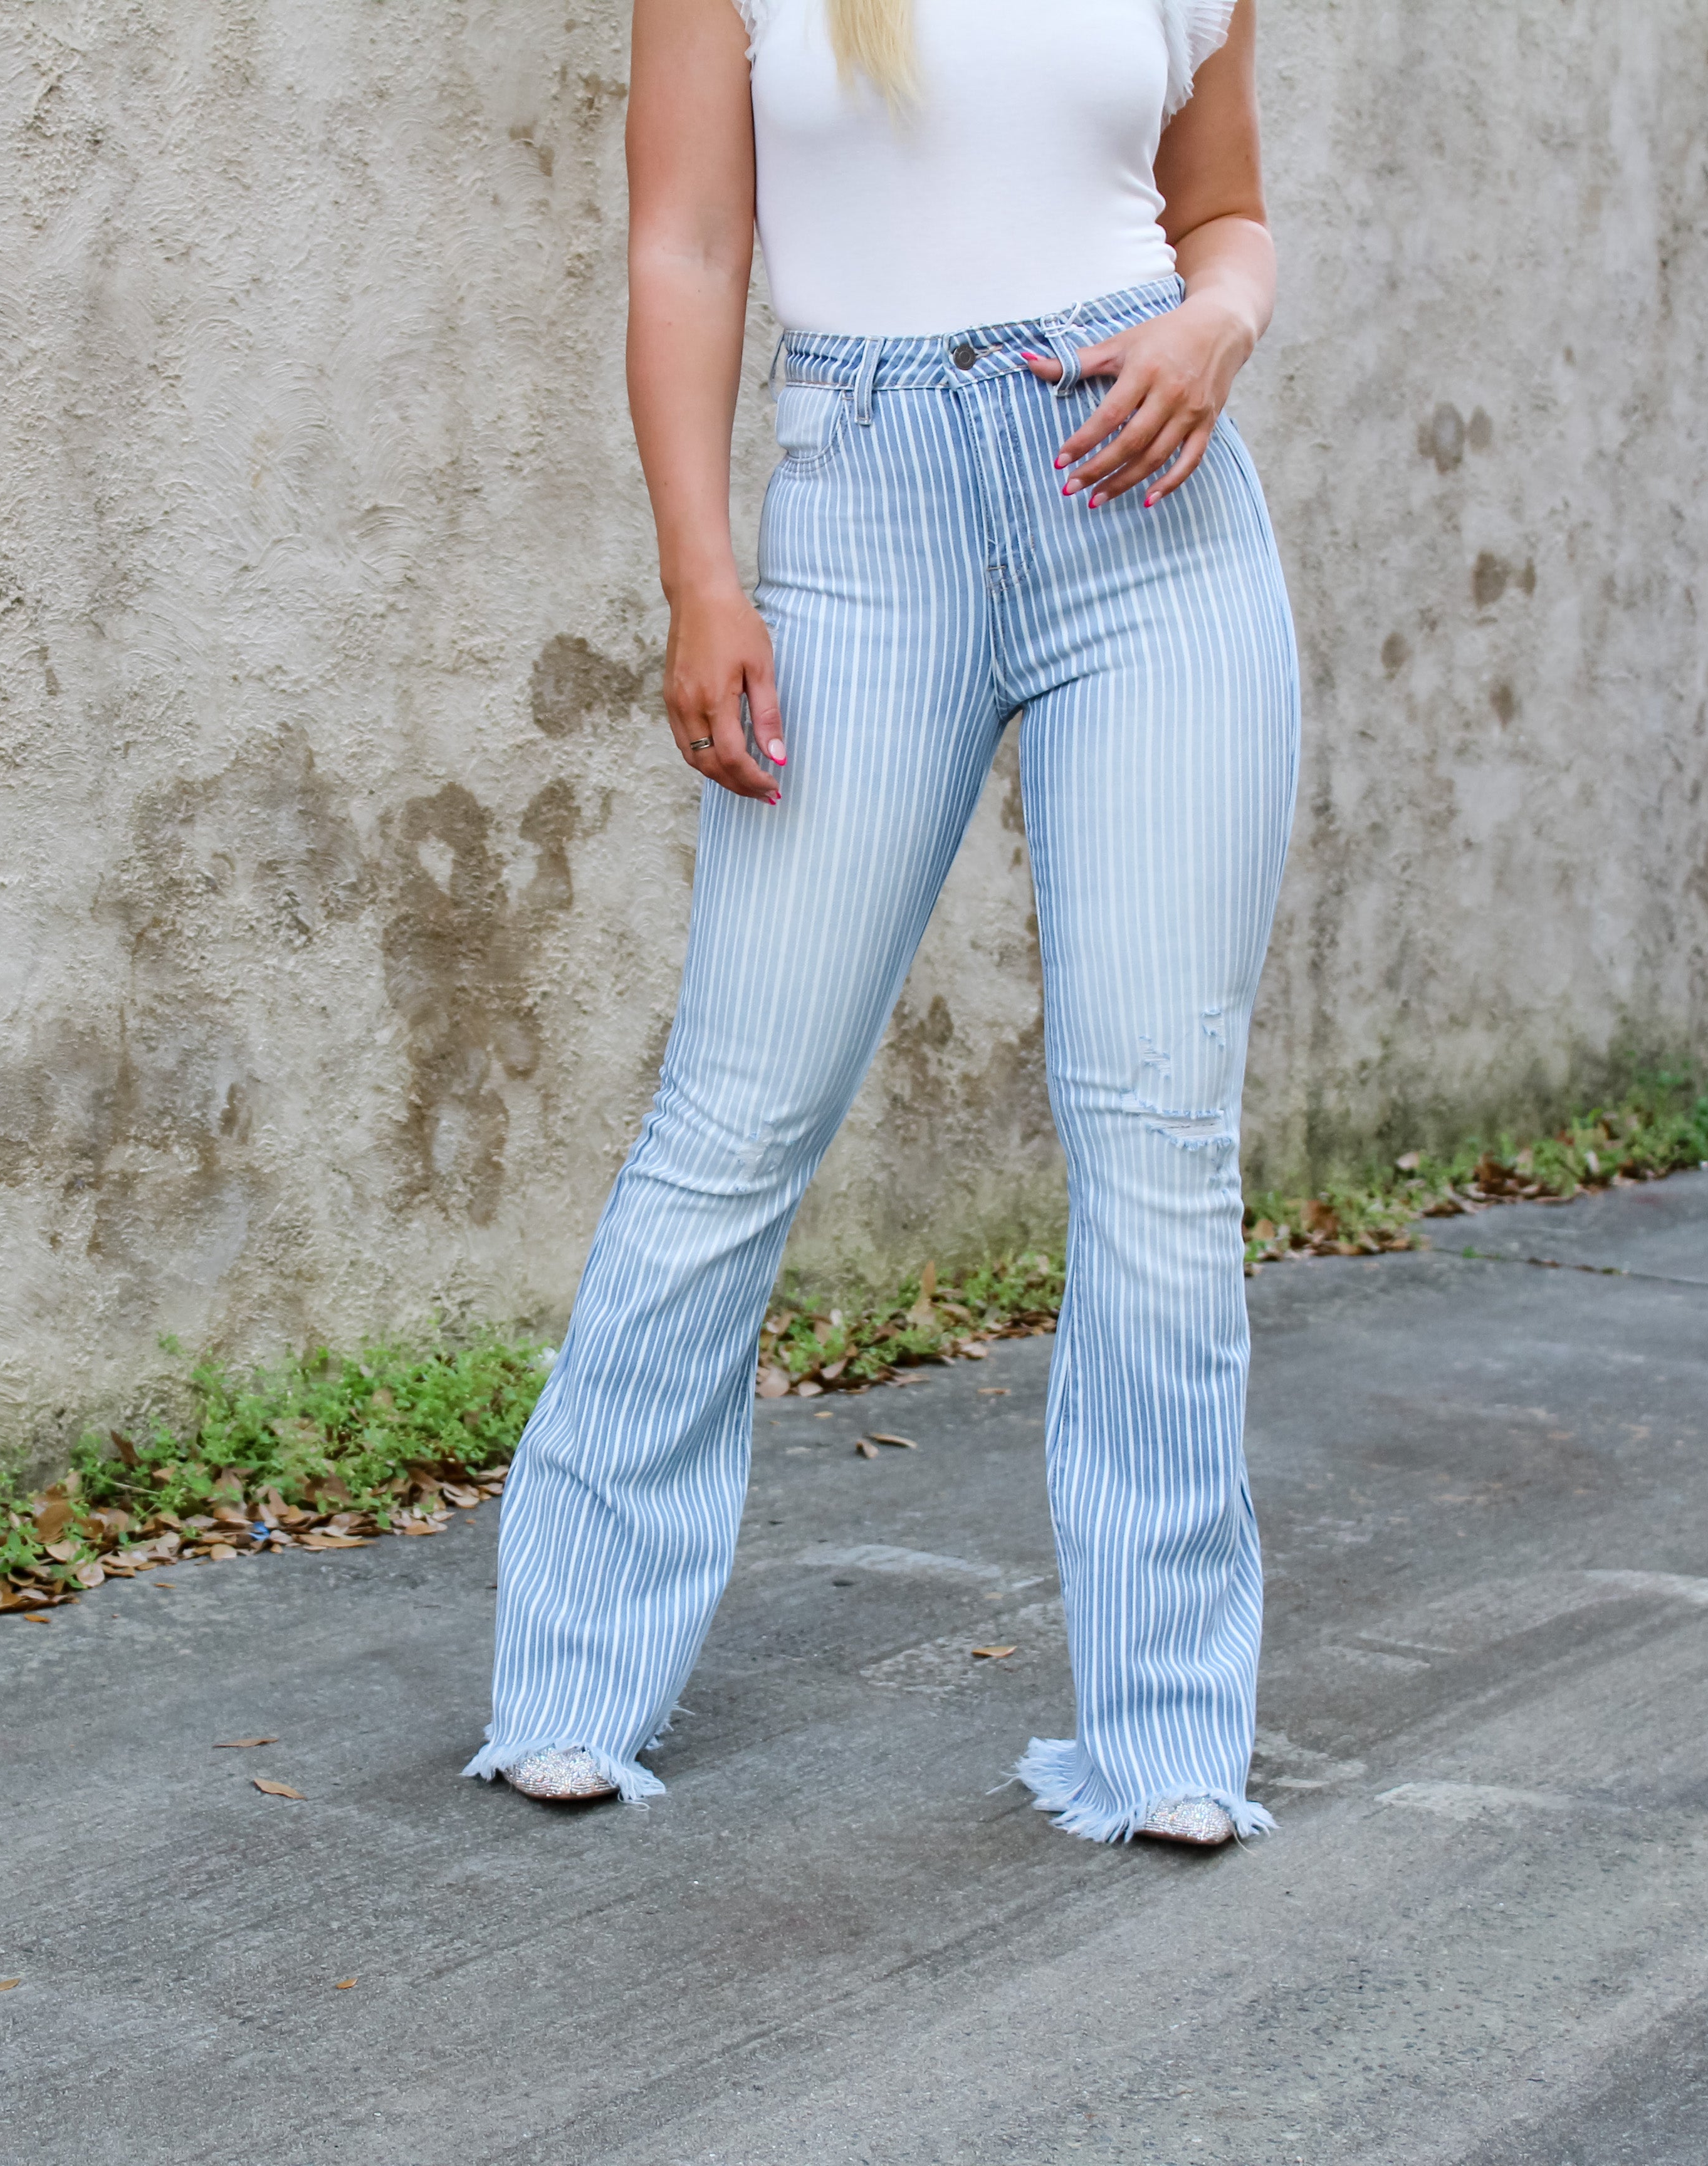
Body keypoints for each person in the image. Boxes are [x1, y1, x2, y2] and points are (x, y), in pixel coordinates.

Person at [468, 0, 1297, 1846]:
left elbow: (1224, 216)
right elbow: (687, 245)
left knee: (1159, 1140)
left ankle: (1170, 1734)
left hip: (1148, 517)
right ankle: (572, 1683)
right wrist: (703, 578)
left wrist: (1220, 321)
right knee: (737, 1113)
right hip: (863, 520)